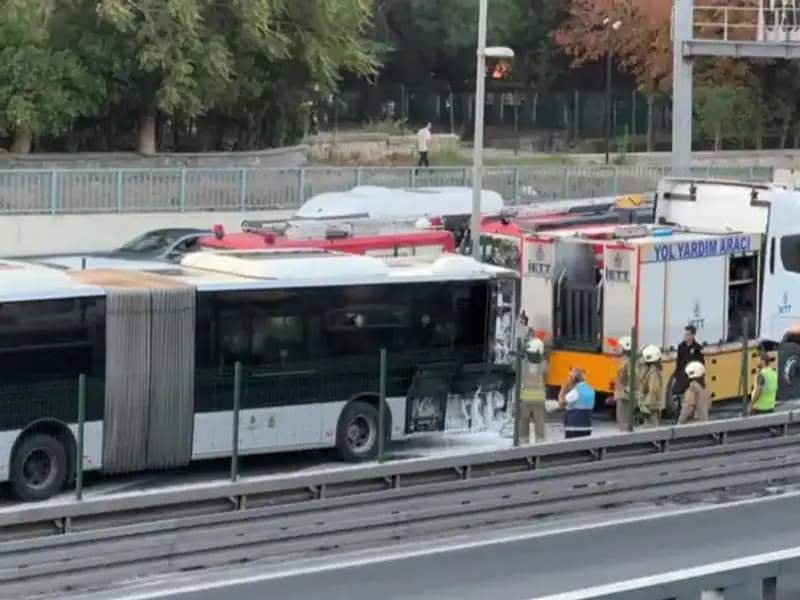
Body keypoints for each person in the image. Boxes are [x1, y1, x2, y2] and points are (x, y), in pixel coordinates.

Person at [517, 337, 547, 444]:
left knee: (523, 421)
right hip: (538, 397)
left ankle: (523, 441)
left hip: (525, 397)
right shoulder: (543, 364)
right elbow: (546, 373)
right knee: (539, 422)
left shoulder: (523, 364)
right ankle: (540, 441)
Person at [672, 325, 705, 412]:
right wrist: (676, 376)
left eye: (687, 334)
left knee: (691, 398)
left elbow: (701, 364)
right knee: (678, 394)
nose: (685, 336)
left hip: (693, 377)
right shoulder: (681, 346)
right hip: (682, 375)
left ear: (692, 336)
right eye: (685, 334)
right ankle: (680, 412)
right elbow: (678, 362)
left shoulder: (697, 348)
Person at [557, 367, 594, 439]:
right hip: (587, 426)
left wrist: (564, 387)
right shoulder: (591, 390)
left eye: (570, 376)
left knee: (571, 448)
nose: (568, 379)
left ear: (574, 378)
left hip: (574, 427)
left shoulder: (575, 392)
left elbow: (561, 403)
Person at [638, 345, 664, 428]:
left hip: (648, 405)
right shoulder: (654, 372)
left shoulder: (647, 371)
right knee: (652, 427)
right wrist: (648, 405)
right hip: (651, 406)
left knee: (649, 427)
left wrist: (643, 404)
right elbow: (654, 389)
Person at [613, 336, 633, 431]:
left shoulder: (628, 362)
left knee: (623, 420)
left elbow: (632, 377)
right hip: (622, 395)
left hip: (624, 396)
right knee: (621, 420)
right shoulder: (625, 360)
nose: (617, 348)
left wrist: (626, 389)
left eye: (620, 346)